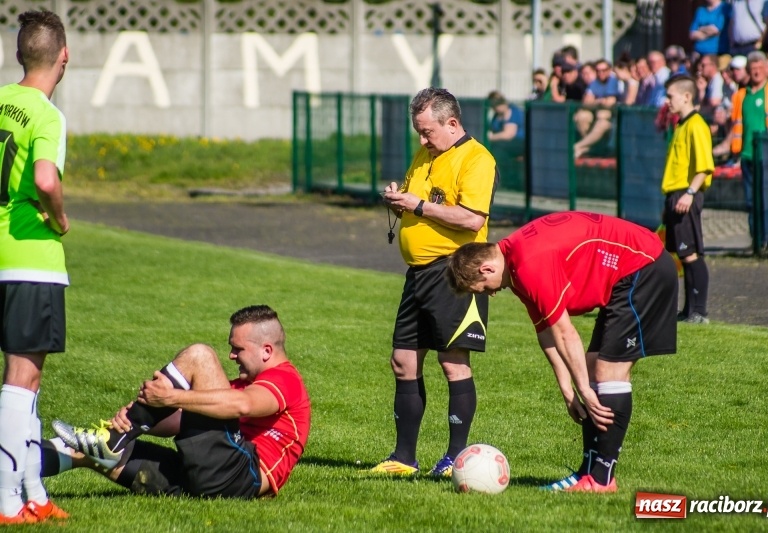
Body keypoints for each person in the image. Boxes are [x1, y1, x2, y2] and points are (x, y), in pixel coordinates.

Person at [444, 212, 678, 493]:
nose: (489, 294)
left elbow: (566, 333)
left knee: (607, 372)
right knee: (592, 367)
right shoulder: (514, 266)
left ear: (486, 269)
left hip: (645, 266)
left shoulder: (528, 264)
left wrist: (585, 390)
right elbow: (547, 333)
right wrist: (569, 391)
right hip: (626, 274)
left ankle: (602, 480)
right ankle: (587, 473)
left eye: (482, 289)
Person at [49, 305, 311, 499]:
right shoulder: (239, 386)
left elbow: (243, 404)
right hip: (208, 476)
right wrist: (133, 420)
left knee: (200, 356)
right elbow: (180, 420)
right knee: (83, 452)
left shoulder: (285, 379)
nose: (231, 356)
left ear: (267, 350)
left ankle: (111, 441)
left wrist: (170, 397)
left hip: (240, 477)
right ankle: (24, 483)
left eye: (238, 348)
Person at [374, 87, 497, 477]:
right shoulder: (425, 154)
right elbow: (418, 202)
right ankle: (403, 458)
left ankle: (456, 459)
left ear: (452, 123)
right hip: (418, 274)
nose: (423, 140)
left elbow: (472, 219)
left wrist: (419, 206)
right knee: (403, 360)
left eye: (427, 132)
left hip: (456, 273)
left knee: (452, 362)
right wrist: (399, 200)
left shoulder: (477, 159)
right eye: (419, 133)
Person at [0, 10, 70, 525]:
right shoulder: (47, 115)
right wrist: (60, 218)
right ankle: (6, 501)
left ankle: (33, 493)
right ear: (64, 56)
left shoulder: (1, 100)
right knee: (20, 382)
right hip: (30, 260)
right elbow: (45, 179)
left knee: (27, 383)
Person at [720, 51, 768, 240]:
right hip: (747, 155)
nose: (757, 72)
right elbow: (734, 125)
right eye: (753, 69)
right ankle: (757, 241)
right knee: (751, 201)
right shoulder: (740, 96)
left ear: (766, 69)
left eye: (760, 68)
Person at [661, 75, 715, 324]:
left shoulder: (696, 125)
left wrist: (690, 193)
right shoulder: (681, 125)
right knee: (683, 255)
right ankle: (688, 310)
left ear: (686, 96)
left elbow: (705, 166)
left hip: (686, 194)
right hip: (676, 195)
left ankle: (699, 311)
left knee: (690, 253)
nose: (667, 101)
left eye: (670, 96)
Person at [574, 59, 622, 159]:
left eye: (604, 70)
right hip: (595, 113)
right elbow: (586, 102)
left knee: (602, 116)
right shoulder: (594, 83)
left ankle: (579, 146)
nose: (601, 73)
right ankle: (589, 147)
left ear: (609, 70)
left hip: (612, 118)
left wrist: (595, 100)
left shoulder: (613, 81)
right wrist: (600, 101)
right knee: (581, 116)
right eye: (598, 70)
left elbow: (609, 102)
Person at [487, 91, 525, 189]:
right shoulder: (496, 116)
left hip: (519, 143)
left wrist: (491, 137)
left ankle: (507, 181)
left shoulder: (513, 111)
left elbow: (509, 134)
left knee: (498, 150)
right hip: (503, 144)